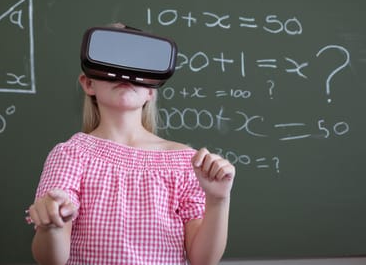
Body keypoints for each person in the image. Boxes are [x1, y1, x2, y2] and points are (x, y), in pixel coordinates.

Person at [27, 24, 236, 265]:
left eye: (137, 62)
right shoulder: (71, 155)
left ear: (151, 91)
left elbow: (203, 260)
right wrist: (51, 226)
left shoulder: (186, 163)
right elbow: (51, 260)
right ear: (88, 84)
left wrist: (218, 200)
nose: (124, 71)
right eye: (111, 60)